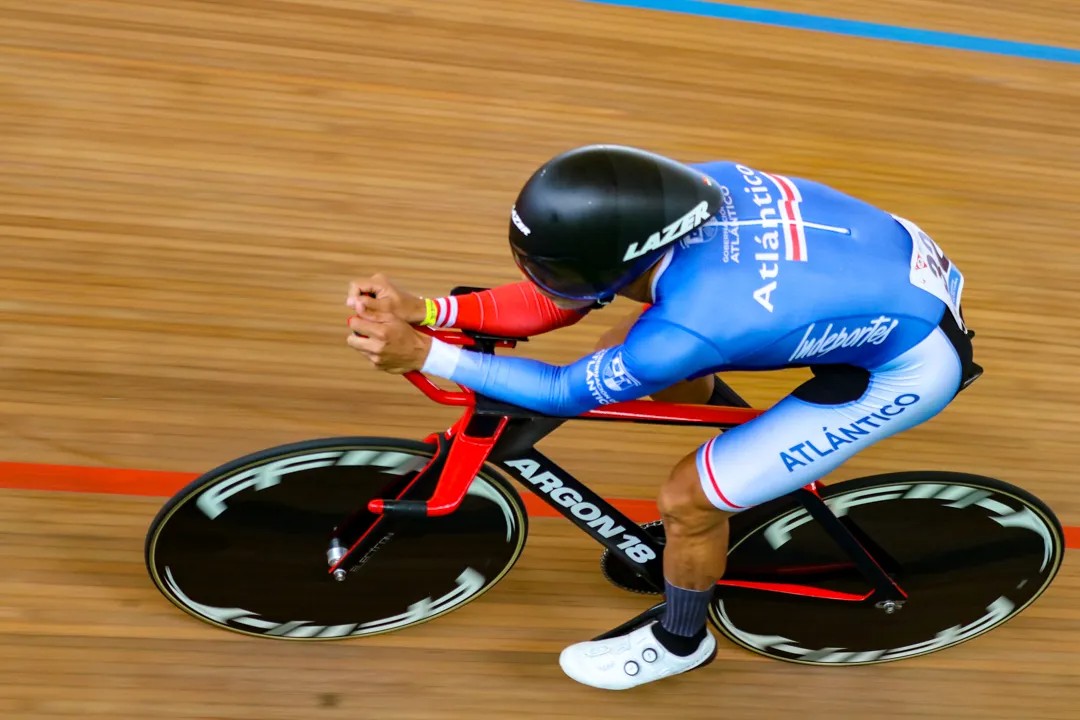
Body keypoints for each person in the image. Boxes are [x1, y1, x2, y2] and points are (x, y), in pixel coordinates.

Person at [344, 144, 977, 690]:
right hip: (888, 268)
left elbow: (564, 390)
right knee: (630, 355)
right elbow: (563, 299)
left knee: (687, 500)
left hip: (909, 363)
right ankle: (750, 454)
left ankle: (681, 642)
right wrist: (428, 311)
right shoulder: (687, 188)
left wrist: (427, 354)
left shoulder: (689, 325)